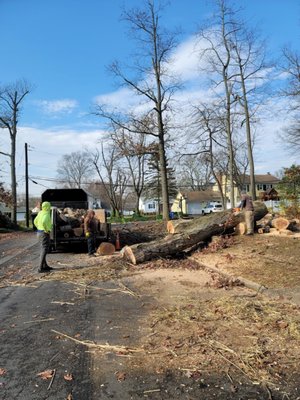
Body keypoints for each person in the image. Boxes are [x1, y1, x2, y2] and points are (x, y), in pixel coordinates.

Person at [34, 201, 53, 273]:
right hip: (44, 233)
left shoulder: (40, 212)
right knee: (44, 249)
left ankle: (45, 266)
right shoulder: (46, 213)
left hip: (39, 232)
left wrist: (38, 227)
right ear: (48, 207)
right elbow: (44, 221)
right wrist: (45, 229)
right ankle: (40, 268)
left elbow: (35, 221)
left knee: (43, 248)